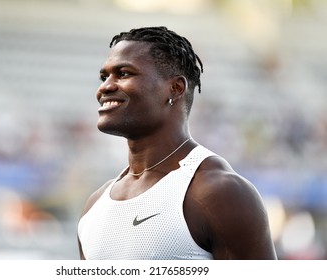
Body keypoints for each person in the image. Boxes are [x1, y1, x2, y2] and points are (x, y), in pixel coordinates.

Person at [77, 26, 277, 260]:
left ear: (175, 88)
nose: (105, 87)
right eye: (104, 76)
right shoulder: (96, 204)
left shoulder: (219, 192)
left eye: (123, 73)